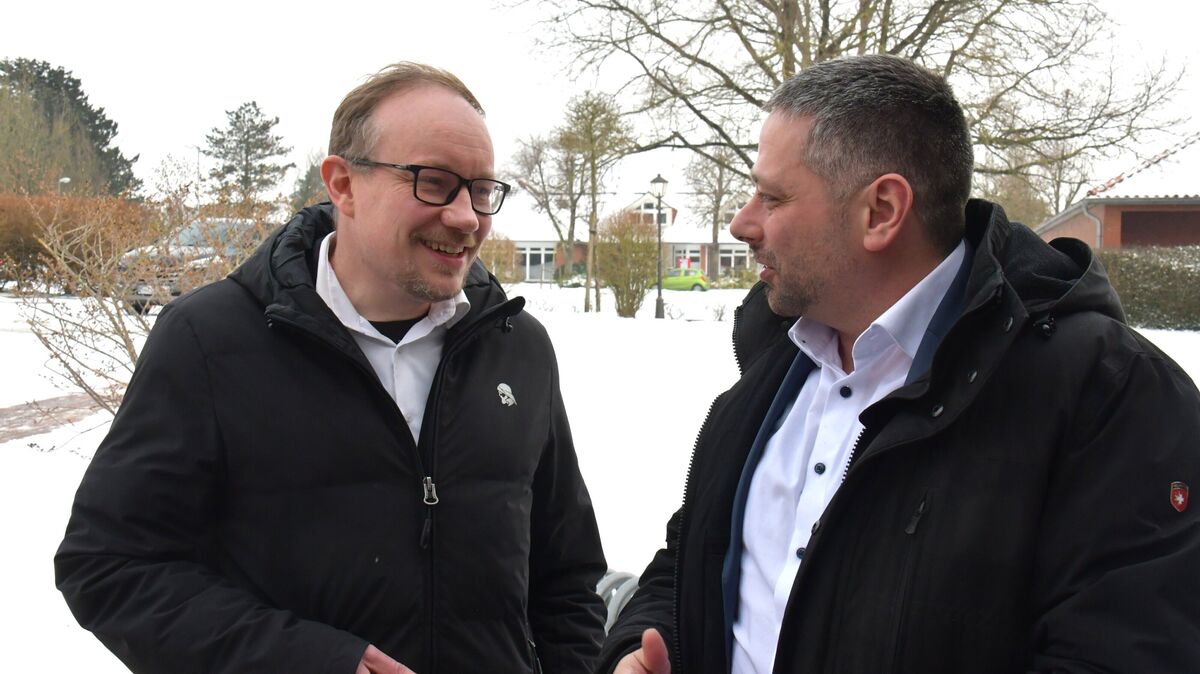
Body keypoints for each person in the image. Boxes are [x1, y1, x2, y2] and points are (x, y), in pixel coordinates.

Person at [600, 54, 1200, 674]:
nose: (741, 222)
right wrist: (641, 647)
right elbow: (690, 557)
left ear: (882, 210)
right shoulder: (777, 360)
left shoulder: (1107, 395)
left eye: (771, 197)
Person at [55, 63, 607, 674]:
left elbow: (568, 577)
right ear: (342, 184)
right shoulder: (209, 340)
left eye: (481, 189)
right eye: (434, 182)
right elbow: (109, 563)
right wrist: (303, 659)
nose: (466, 217)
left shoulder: (517, 346)